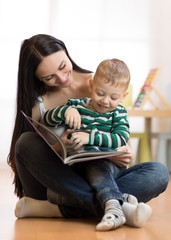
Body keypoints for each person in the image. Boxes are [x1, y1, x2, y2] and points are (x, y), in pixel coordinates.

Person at [8, 34, 169, 230]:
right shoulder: (39, 102)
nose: (62, 78)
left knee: (158, 173)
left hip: (99, 172)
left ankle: (55, 209)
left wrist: (122, 151)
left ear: (66, 52)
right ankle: (119, 206)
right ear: (36, 78)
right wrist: (61, 146)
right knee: (25, 142)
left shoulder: (102, 84)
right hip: (58, 180)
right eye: (49, 77)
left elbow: (118, 134)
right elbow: (33, 158)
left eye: (61, 66)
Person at [43, 58, 132, 230]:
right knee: (75, 170)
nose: (105, 101)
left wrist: (90, 137)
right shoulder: (77, 105)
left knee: (156, 172)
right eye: (100, 93)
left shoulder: (119, 112)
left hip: (107, 166)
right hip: (78, 166)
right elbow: (47, 119)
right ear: (91, 85)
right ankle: (121, 202)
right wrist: (66, 111)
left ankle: (112, 207)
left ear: (123, 96)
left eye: (113, 97)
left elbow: (120, 138)